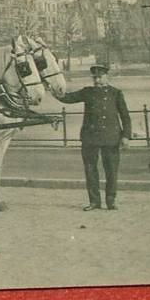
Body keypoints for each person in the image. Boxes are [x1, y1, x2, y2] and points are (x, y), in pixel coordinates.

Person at [56, 63, 132, 211]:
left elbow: (125, 117)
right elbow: (68, 98)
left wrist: (126, 136)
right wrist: (55, 91)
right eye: (95, 77)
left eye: (100, 77)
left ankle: (111, 201)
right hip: (90, 137)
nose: (97, 80)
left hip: (111, 137)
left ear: (106, 76)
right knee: (90, 170)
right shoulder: (87, 92)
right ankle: (94, 202)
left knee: (111, 170)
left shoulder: (115, 93)